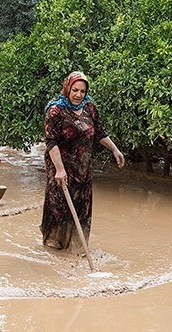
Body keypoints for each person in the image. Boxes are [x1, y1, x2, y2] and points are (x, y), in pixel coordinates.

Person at [41, 71, 125, 254]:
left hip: (83, 168)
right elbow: (51, 141)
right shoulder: (55, 110)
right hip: (60, 168)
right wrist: (60, 169)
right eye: (75, 90)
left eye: (82, 91)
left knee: (82, 208)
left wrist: (114, 149)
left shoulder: (89, 108)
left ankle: (77, 249)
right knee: (60, 208)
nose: (78, 94)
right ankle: (54, 251)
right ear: (67, 89)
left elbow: (99, 133)